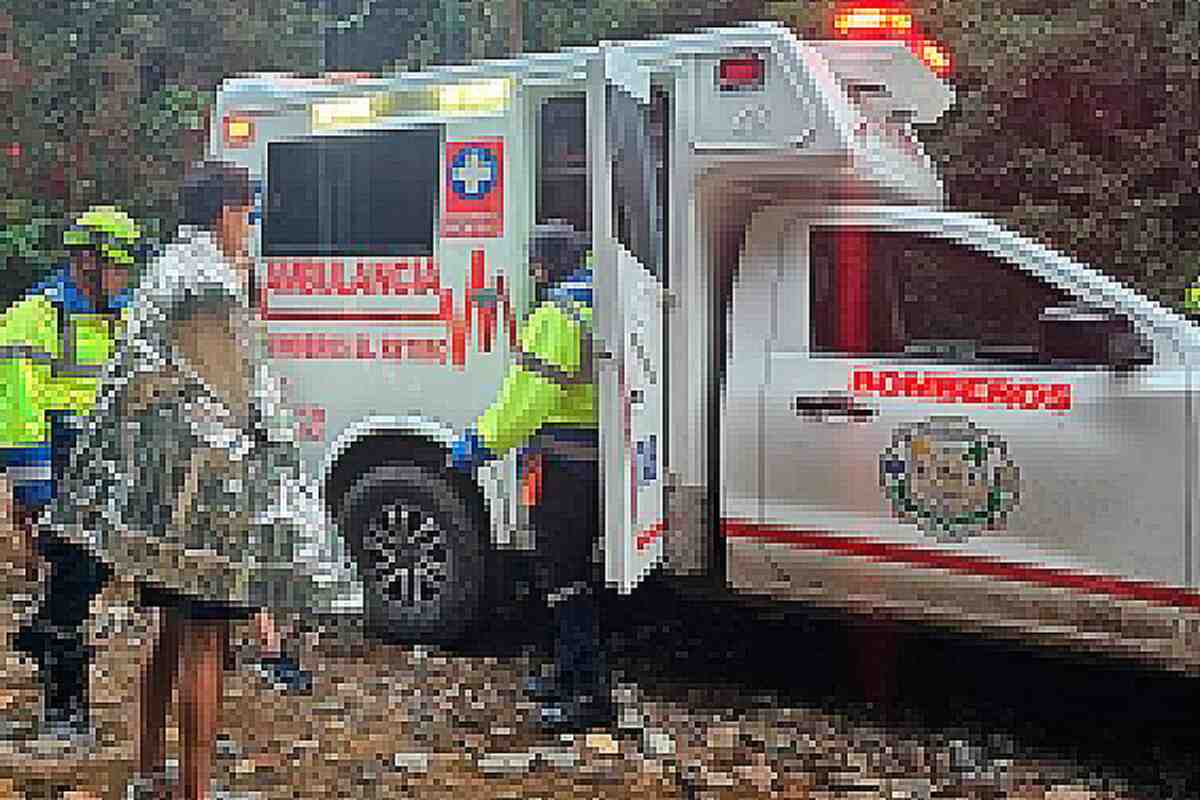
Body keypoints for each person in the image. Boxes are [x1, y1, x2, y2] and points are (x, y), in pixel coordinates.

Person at [43, 161, 355, 800]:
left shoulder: (164, 271)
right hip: (205, 495)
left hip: (162, 493)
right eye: (248, 214)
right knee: (207, 639)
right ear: (226, 213)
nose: (250, 228)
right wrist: (286, 461)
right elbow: (245, 393)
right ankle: (195, 789)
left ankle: (149, 774)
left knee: (168, 629)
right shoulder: (208, 284)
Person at [450, 225, 609, 730]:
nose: (533, 270)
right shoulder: (596, 304)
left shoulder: (555, 316)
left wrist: (480, 443)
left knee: (564, 578)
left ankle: (588, 692)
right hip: (585, 461)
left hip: (562, 467)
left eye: (536, 261)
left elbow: (529, 400)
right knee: (569, 574)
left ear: (549, 263)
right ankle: (567, 671)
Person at [4, 205, 140, 741]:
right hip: (55, 461)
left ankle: (42, 637)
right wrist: (33, 490)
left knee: (92, 571)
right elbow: (17, 407)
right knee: (71, 575)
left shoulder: (121, 316)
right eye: (116, 267)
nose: (123, 279)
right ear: (87, 261)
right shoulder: (35, 317)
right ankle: (64, 703)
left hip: (103, 462)